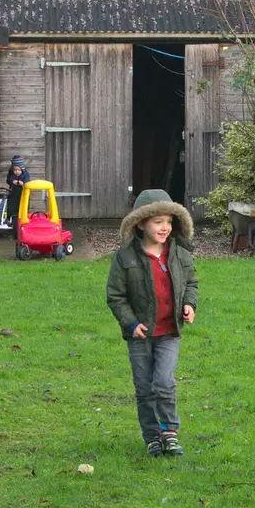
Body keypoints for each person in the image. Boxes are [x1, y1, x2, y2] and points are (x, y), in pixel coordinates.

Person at [106, 189, 198, 457]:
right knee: (145, 388)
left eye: (169, 222)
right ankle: (152, 437)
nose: (165, 228)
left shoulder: (179, 254)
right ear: (141, 223)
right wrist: (131, 323)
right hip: (140, 335)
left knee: (164, 383)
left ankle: (169, 433)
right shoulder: (125, 258)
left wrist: (189, 305)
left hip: (169, 332)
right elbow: (116, 296)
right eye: (158, 222)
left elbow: (191, 283)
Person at [4, 156, 29, 228]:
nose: (16, 172)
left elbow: (27, 181)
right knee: (11, 204)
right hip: (13, 192)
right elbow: (8, 180)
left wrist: (23, 183)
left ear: (22, 169)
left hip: (23, 193)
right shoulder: (11, 174)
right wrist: (12, 181)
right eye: (15, 170)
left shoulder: (25, 174)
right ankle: (10, 218)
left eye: (18, 170)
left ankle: (21, 219)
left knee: (22, 205)